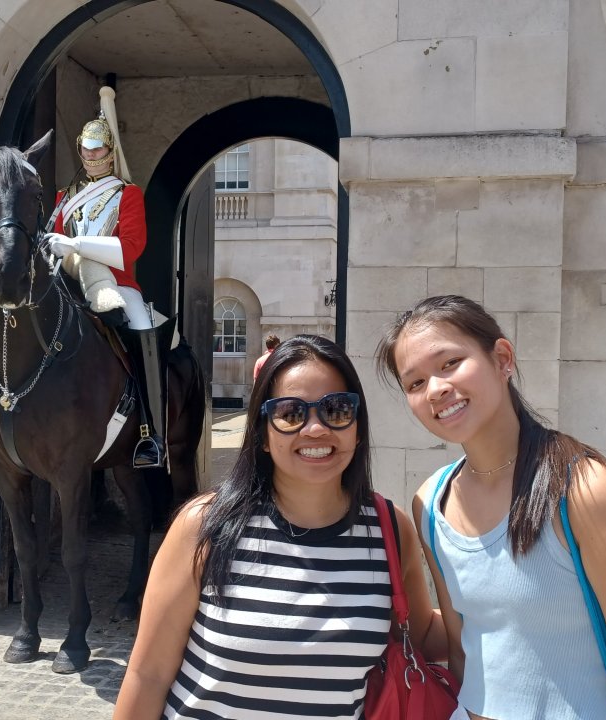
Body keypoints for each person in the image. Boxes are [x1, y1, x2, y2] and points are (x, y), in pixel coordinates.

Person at [376, 295, 606, 720]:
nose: (436, 389)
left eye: (450, 363)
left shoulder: (584, 489)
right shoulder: (431, 503)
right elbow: (463, 650)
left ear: (502, 359)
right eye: (415, 383)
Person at [114, 334, 447, 719]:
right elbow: (148, 675)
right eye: (290, 413)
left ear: (358, 428)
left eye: (337, 409)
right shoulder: (204, 525)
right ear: (263, 435)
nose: (316, 429)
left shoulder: (390, 528)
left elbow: (423, 634)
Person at [45, 86, 166, 468]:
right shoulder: (65, 197)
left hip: (118, 284)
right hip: (68, 280)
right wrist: (58, 246)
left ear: (111, 152)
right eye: (86, 149)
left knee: (142, 328)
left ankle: (151, 432)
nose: (91, 156)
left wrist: (77, 243)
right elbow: (53, 243)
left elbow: (130, 249)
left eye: (98, 150)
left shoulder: (127, 194)